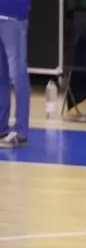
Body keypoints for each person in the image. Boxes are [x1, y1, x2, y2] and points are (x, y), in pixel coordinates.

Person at [0, 0, 30, 148]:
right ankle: (1, 128)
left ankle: (21, 132)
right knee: (1, 76)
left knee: (18, 75)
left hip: (13, 17)